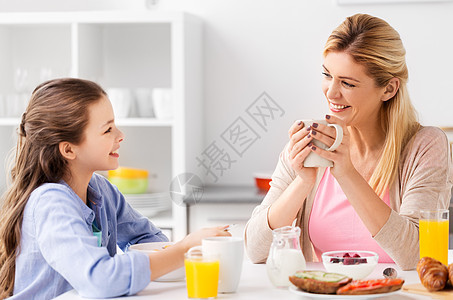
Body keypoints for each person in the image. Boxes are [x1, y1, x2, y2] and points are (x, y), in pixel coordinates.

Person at [244, 13, 453, 271]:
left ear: (389, 89)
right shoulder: (312, 144)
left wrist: (346, 173)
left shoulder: (425, 146)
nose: (331, 92)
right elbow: (255, 250)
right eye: (327, 75)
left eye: (348, 83)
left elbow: (418, 255)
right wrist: (302, 182)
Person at [0, 78, 230, 299]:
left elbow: (148, 240)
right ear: (69, 150)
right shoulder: (50, 203)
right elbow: (99, 279)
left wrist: (185, 250)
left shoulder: (102, 191)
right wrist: (184, 249)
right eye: (108, 129)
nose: (120, 135)